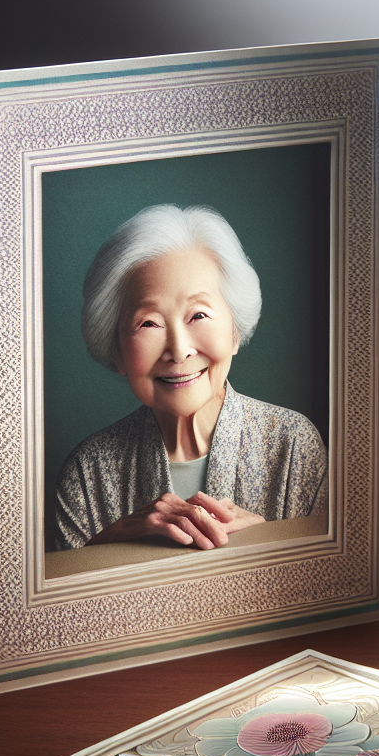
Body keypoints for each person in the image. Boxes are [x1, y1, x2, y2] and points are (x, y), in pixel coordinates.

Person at [51, 204, 328, 551]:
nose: (179, 351)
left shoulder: (294, 446)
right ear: (117, 350)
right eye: (148, 323)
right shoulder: (87, 473)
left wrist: (275, 543)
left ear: (235, 332)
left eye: (198, 314)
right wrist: (107, 547)